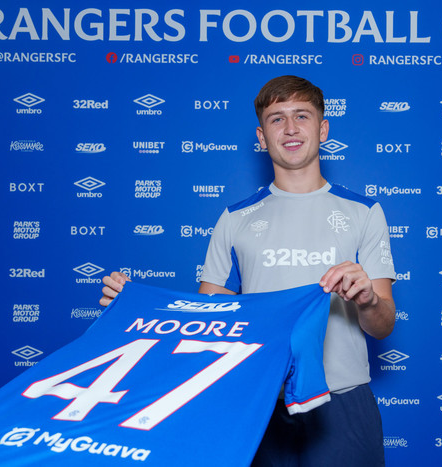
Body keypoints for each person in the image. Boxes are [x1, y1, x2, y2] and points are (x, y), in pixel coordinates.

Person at [101, 75, 396, 466]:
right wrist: (137, 306)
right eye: (277, 119)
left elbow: (382, 326)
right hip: (259, 402)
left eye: (302, 116)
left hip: (342, 402)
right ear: (261, 137)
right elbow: (209, 318)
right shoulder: (235, 219)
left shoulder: (364, 213)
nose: (290, 128)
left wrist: (368, 300)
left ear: (323, 129)